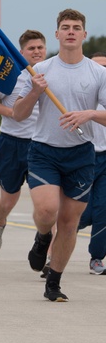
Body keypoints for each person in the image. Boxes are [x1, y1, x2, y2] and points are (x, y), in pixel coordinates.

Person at [12, 9, 106, 302]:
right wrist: (33, 93)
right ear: (56, 34)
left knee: (68, 223)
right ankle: (42, 237)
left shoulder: (98, 73)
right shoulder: (39, 71)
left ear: (84, 35)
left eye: (76, 27)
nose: (70, 31)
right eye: (65, 27)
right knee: (47, 211)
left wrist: (89, 114)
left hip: (81, 154)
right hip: (44, 151)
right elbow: (18, 114)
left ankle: (54, 280)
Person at [0, 30, 46, 253]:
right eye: (31, 48)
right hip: (12, 143)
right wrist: (11, 112)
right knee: (8, 200)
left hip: (42, 145)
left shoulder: (51, 72)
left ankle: (44, 244)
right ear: (22, 52)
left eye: (40, 48)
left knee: (45, 203)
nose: (36, 52)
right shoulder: (10, 75)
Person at [78, 53, 106, 274]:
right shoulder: (81, 94)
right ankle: (51, 242)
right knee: (80, 213)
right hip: (83, 156)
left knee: (103, 211)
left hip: (105, 158)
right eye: (98, 67)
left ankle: (97, 258)